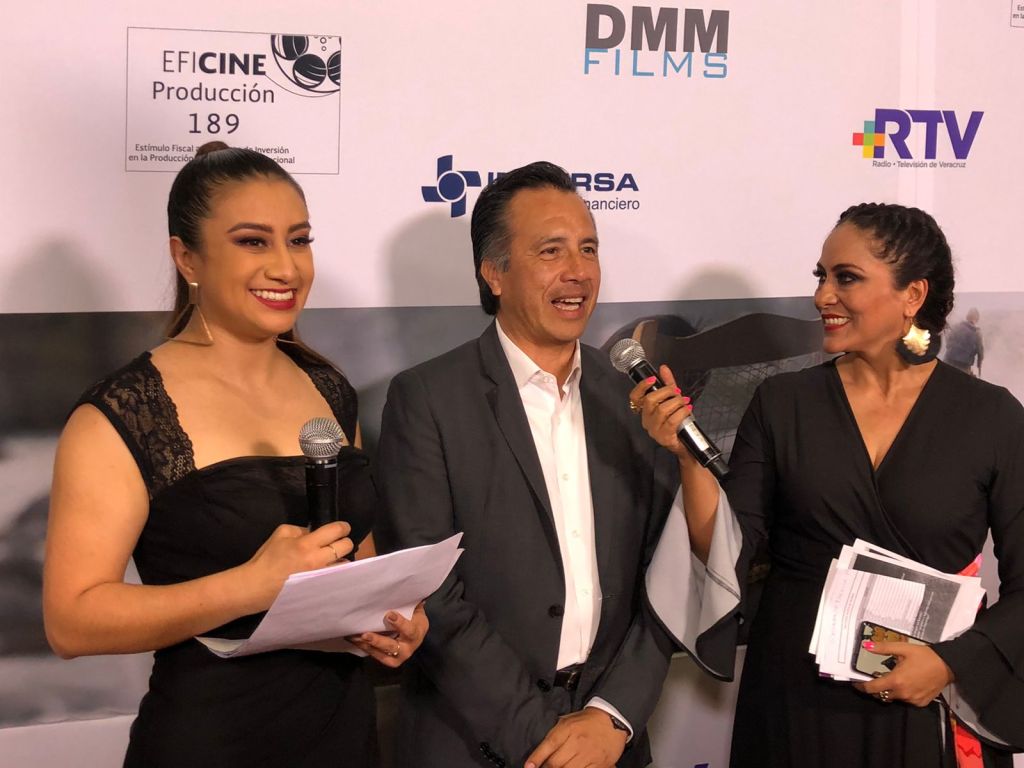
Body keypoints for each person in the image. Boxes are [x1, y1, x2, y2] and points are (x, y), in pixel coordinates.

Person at [42, 142, 428, 768]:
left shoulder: (329, 388)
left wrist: (393, 617)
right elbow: (72, 621)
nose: (286, 267)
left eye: (299, 241)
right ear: (186, 257)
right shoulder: (125, 412)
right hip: (210, 740)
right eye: (253, 242)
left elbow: (355, 558)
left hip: (343, 735)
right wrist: (250, 586)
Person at [632, 203, 1024, 766]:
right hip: (794, 700)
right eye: (821, 276)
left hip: (925, 701)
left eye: (847, 278)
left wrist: (949, 665)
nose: (822, 296)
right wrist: (688, 460)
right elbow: (725, 552)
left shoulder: (992, 416)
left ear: (913, 294)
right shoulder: (783, 403)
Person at [375, 162, 676, 768]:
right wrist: (543, 739)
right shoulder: (428, 398)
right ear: (493, 272)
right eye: (550, 250)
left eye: (588, 248)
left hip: (609, 742)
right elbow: (432, 591)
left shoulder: (630, 398)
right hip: (477, 741)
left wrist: (612, 717)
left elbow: (666, 576)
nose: (578, 272)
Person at [944, 307, 984, 376]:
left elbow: (948, 341)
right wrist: (979, 366)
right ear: (976, 319)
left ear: (967, 316)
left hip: (948, 360)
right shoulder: (977, 333)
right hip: (964, 366)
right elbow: (980, 352)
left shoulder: (957, 326)